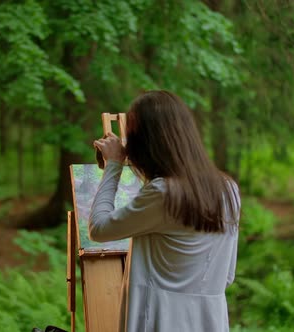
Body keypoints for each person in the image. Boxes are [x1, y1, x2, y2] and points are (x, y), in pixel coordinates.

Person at [90, 90, 241, 332]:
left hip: (161, 321)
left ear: (145, 144)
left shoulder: (163, 193)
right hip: (210, 322)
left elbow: (98, 228)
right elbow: (227, 275)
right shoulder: (228, 190)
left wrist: (114, 165)